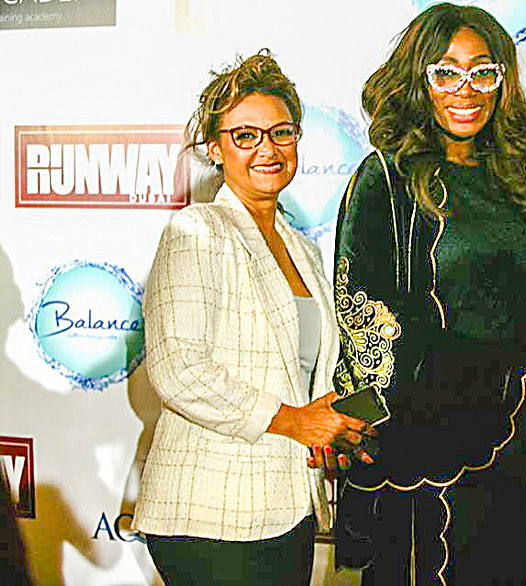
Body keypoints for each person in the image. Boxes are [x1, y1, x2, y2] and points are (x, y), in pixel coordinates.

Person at [332, 4, 526, 584]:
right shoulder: (386, 179)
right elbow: (367, 329)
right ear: (418, 79)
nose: (465, 89)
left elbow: (525, 298)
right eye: (445, 72)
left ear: (502, 81)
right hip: (430, 466)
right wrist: (502, 381)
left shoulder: (510, 176)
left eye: (482, 71)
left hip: (522, 455)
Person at [131, 51, 374, 586]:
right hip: (210, 516)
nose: (267, 148)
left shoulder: (303, 249)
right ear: (216, 148)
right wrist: (296, 421)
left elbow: (301, 376)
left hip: (288, 508)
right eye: (246, 135)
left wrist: (330, 429)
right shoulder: (197, 230)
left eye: (281, 132)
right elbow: (178, 370)